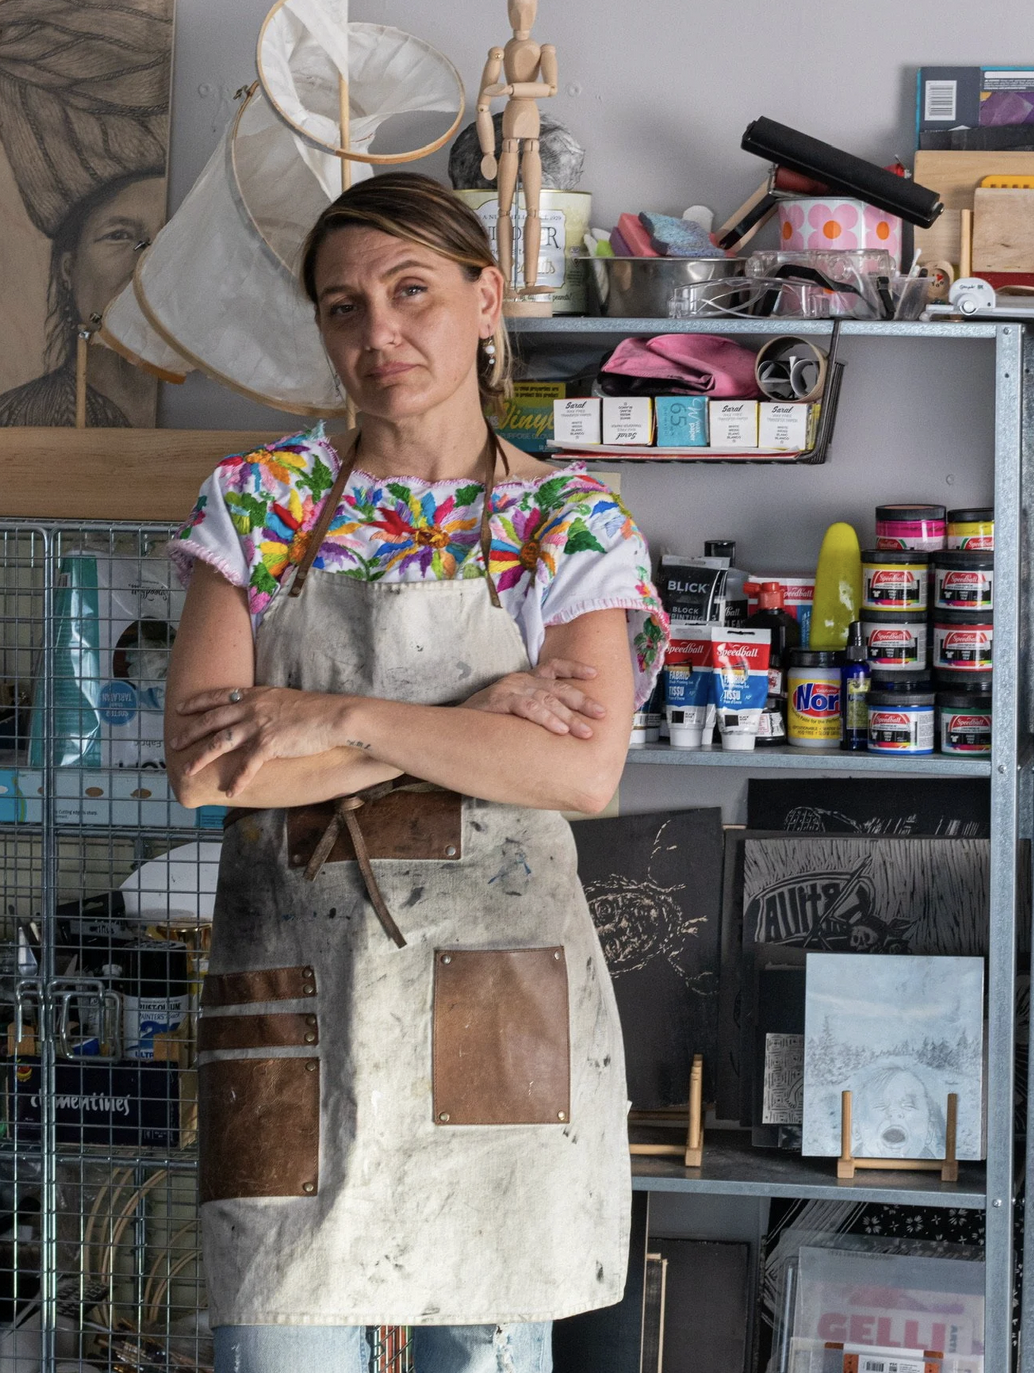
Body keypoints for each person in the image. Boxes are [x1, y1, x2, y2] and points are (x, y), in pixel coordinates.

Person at [165, 173, 668, 1373]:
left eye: (412, 292)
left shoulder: (568, 519)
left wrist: (330, 714)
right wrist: (473, 719)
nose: (377, 333)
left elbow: (581, 770)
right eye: (343, 307)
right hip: (293, 1003)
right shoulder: (260, 502)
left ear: (488, 300)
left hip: (500, 1013)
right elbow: (210, 767)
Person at [0, 0, 174, 501]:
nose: (144, 263)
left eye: (166, 241)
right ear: (67, 268)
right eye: (119, 235)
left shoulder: (224, 440)